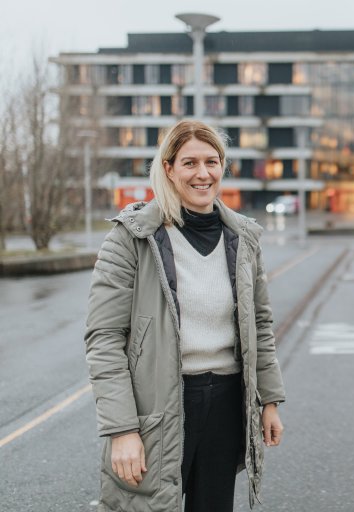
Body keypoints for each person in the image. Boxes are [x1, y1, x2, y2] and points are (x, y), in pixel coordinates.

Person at [85, 119, 286, 512]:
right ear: (169, 169)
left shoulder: (243, 239)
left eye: (212, 162)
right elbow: (104, 339)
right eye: (190, 162)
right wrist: (122, 429)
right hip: (158, 407)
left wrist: (270, 400)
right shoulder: (131, 238)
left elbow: (260, 325)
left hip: (226, 403)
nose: (203, 173)